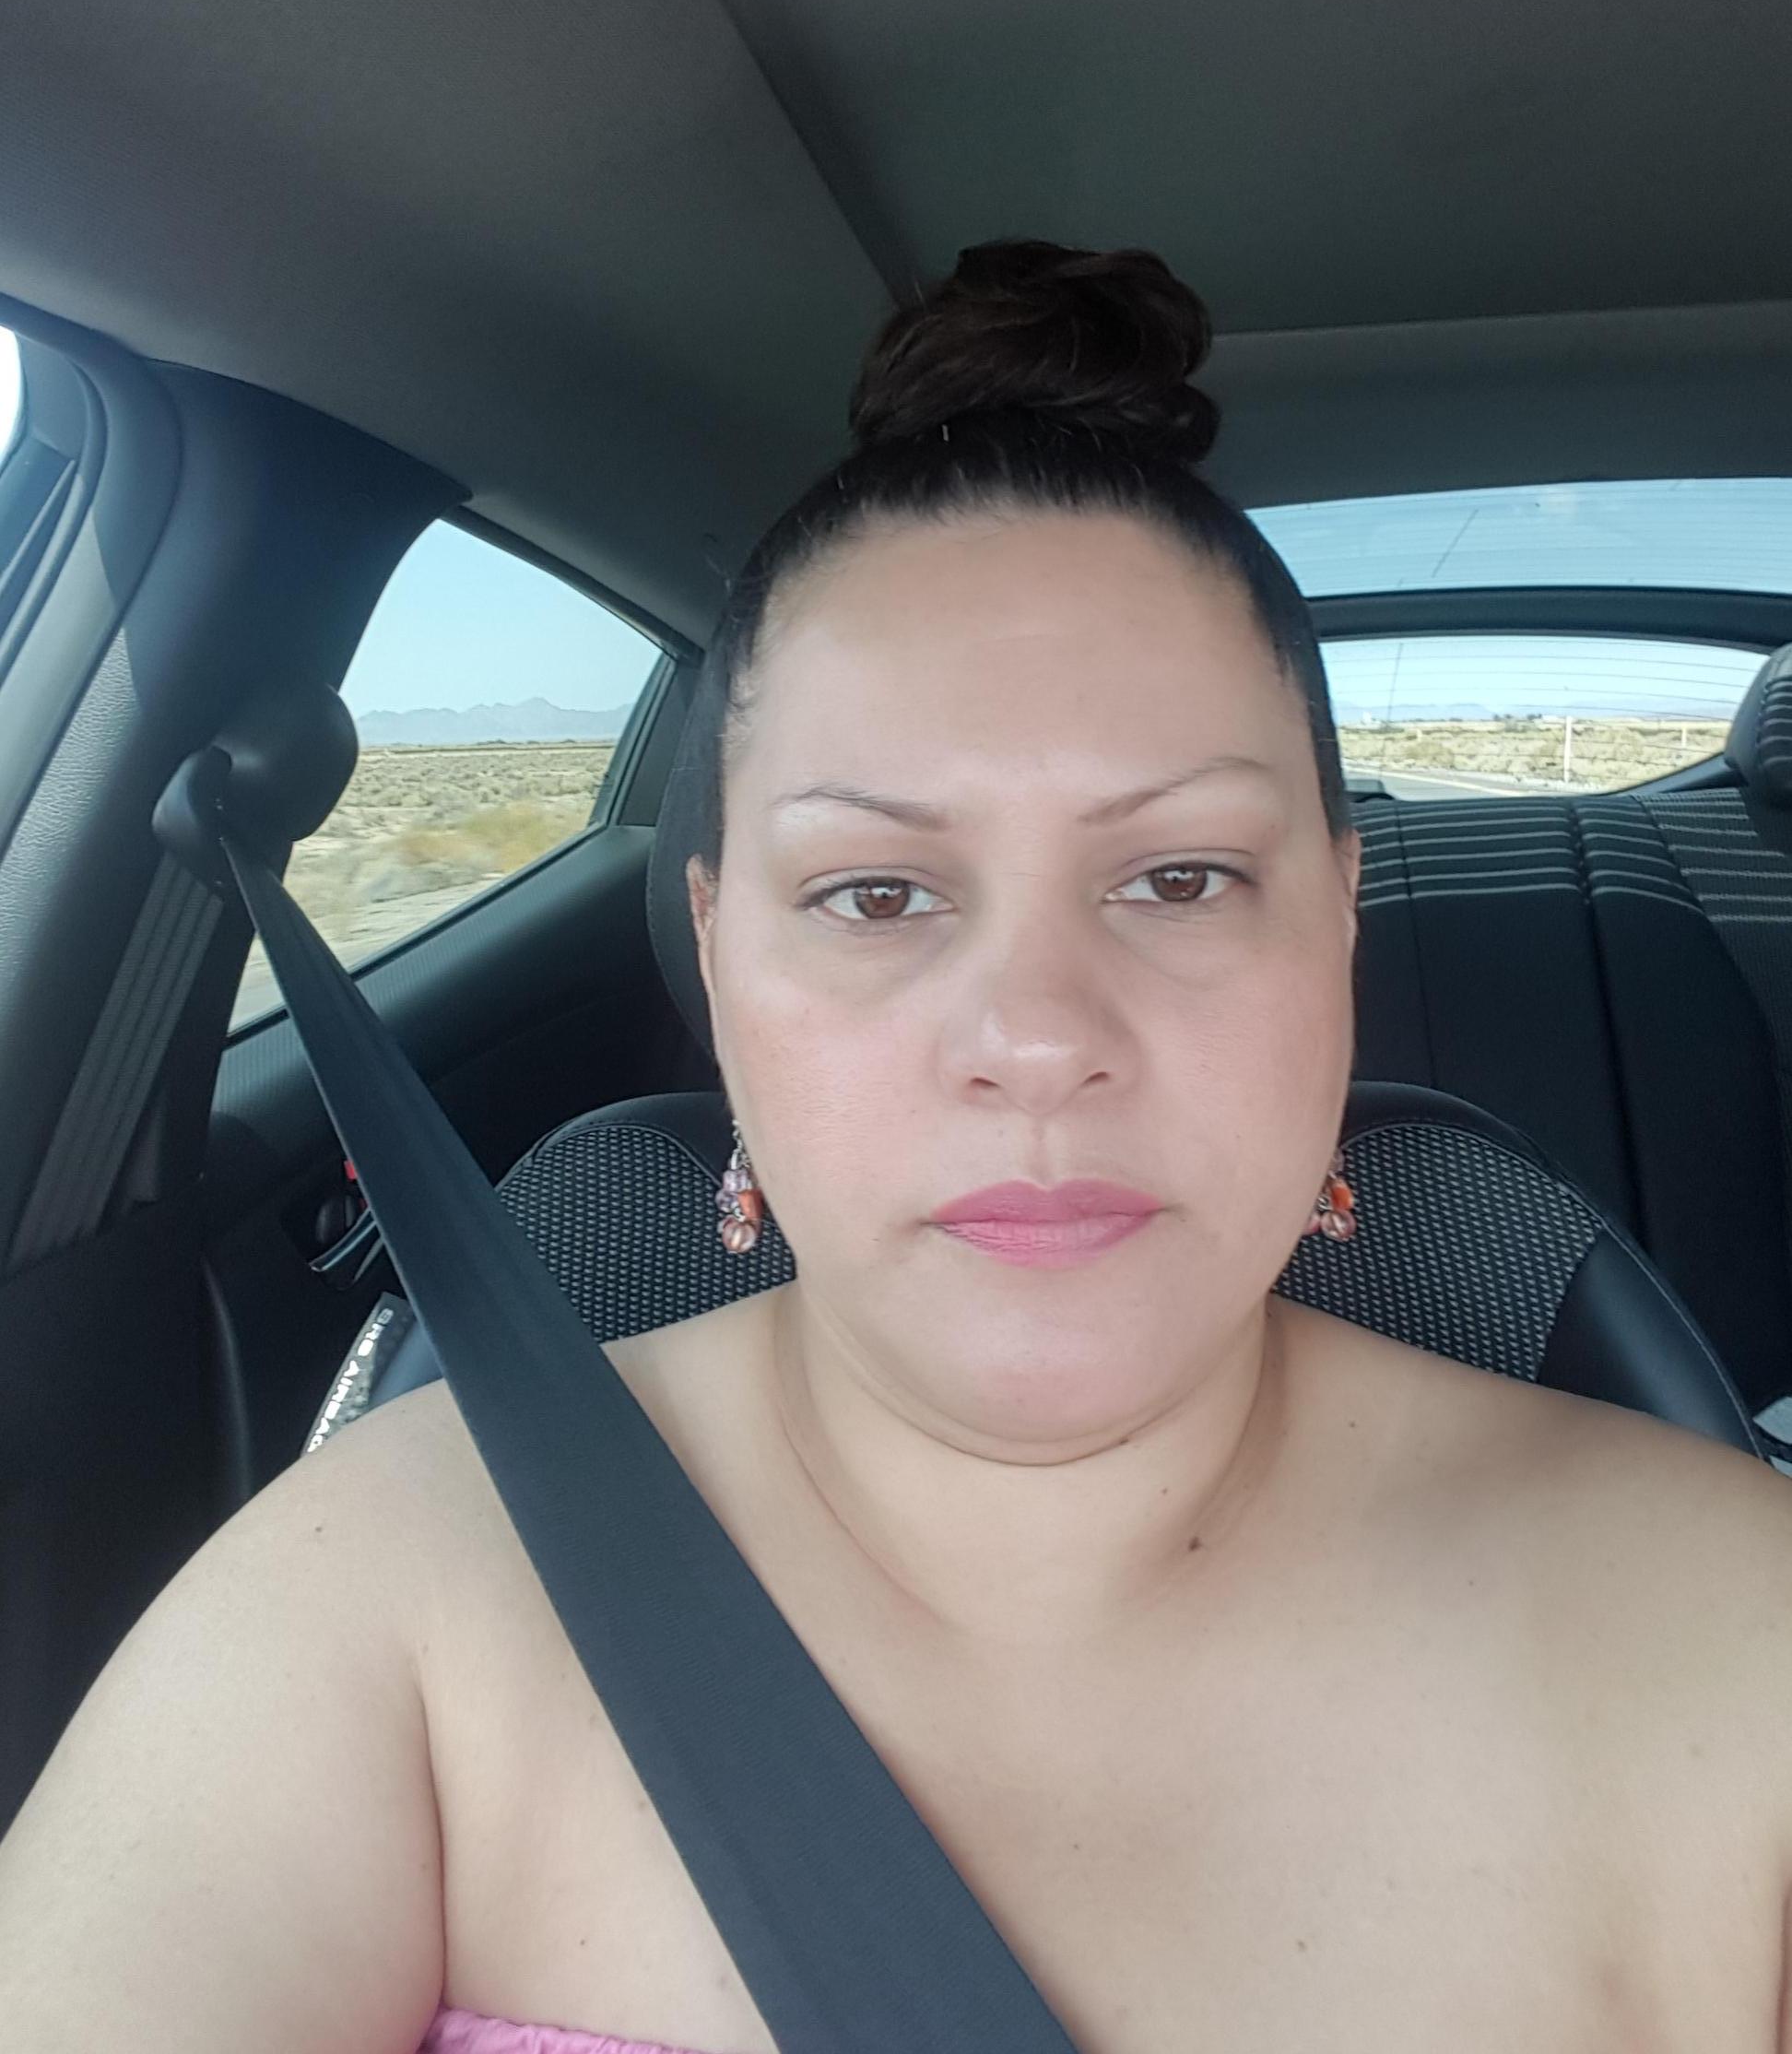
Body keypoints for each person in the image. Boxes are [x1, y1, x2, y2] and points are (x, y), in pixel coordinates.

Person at [3, 241, 1790, 2054]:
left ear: (1336, 921)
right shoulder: (381, 1615)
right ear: (719, 955)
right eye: (876, 892)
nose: (1037, 1038)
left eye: (1180, 876)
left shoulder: (1737, 1636)